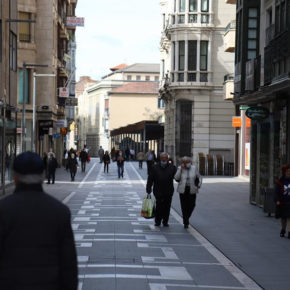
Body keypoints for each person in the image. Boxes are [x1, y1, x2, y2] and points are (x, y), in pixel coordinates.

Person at [0, 152, 78, 290]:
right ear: (43, 176)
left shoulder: (4, 210)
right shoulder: (60, 212)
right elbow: (68, 265)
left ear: (15, 177)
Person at [146, 152, 176, 227]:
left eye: (165, 158)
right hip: (158, 190)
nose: (164, 159)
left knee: (167, 206)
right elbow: (150, 179)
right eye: (162, 158)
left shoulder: (172, 167)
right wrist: (148, 188)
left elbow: (177, 178)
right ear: (160, 158)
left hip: (168, 191)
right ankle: (158, 221)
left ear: (167, 159)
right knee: (159, 206)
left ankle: (165, 221)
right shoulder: (154, 167)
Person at [174, 156, 202, 228]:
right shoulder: (180, 168)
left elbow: (199, 177)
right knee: (184, 206)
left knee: (192, 204)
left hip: (192, 189)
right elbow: (176, 178)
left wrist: (198, 185)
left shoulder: (194, 168)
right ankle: (185, 220)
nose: (186, 164)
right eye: (185, 162)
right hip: (183, 189)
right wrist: (180, 170)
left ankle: (187, 217)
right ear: (182, 163)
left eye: (188, 162)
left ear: (190, 162)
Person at [275, 164, 290, 238]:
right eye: (287, 171)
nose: (289, 173)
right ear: (285, 172)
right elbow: (277, 191)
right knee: (283, 218)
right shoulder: (281, 181)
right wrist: (277, 200)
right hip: (283, 202)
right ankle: (283, 229)